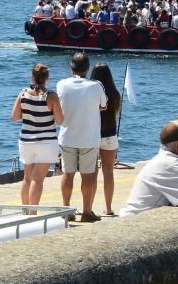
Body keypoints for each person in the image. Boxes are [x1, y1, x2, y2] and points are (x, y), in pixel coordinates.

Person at [56, 52, 107, 223]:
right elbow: (103, 106)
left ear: (71, 67)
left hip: (67, 136)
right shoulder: (96, 86)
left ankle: (66, 210)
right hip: (88, 138)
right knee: (87, 176)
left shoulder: (61, 85)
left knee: (67, 174)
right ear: (88, 68)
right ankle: (86, 211)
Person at [12, 62, 63, 207]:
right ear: (47, 78)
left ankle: (24, 211)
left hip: (26, 140)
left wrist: (29, 113)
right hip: (46, 142)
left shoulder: (23, 93)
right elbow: (60, 120)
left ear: (33, 77)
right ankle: (32, 213)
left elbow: (15, 116)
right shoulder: (51, 96)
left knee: (27, 178)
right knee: (38, 179)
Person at [88, 63, 121, 216]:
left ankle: (89, 207)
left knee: (92, 173)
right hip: (110, 135)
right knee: (108, 172)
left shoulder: (90, 94)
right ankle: (108, 208)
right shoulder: (115, 94)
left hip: (93, 135)